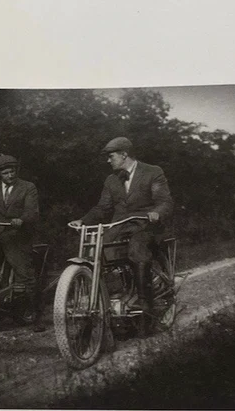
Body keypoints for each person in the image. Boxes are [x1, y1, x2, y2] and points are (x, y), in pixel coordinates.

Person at [70, 136, 173, 336]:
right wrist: (83, 220)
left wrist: (156, 212)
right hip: (119, 226)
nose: (108, 160)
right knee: (97, 251)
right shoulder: (111, 180)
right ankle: (96, 308)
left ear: (124, 155)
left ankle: (146, 311)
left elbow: (165, 201)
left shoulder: (152, 172)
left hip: (146, 226)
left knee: (137, 251)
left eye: (111, 156)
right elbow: (103, 208)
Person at [0, 154, 45, 331]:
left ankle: (36, 316)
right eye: (5, 173)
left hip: (18, 234)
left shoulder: (28, 187)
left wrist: (21, 219)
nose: (10, 175)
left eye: (12, 171)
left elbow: (32, 211)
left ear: (16, 170)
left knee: (24, 272)